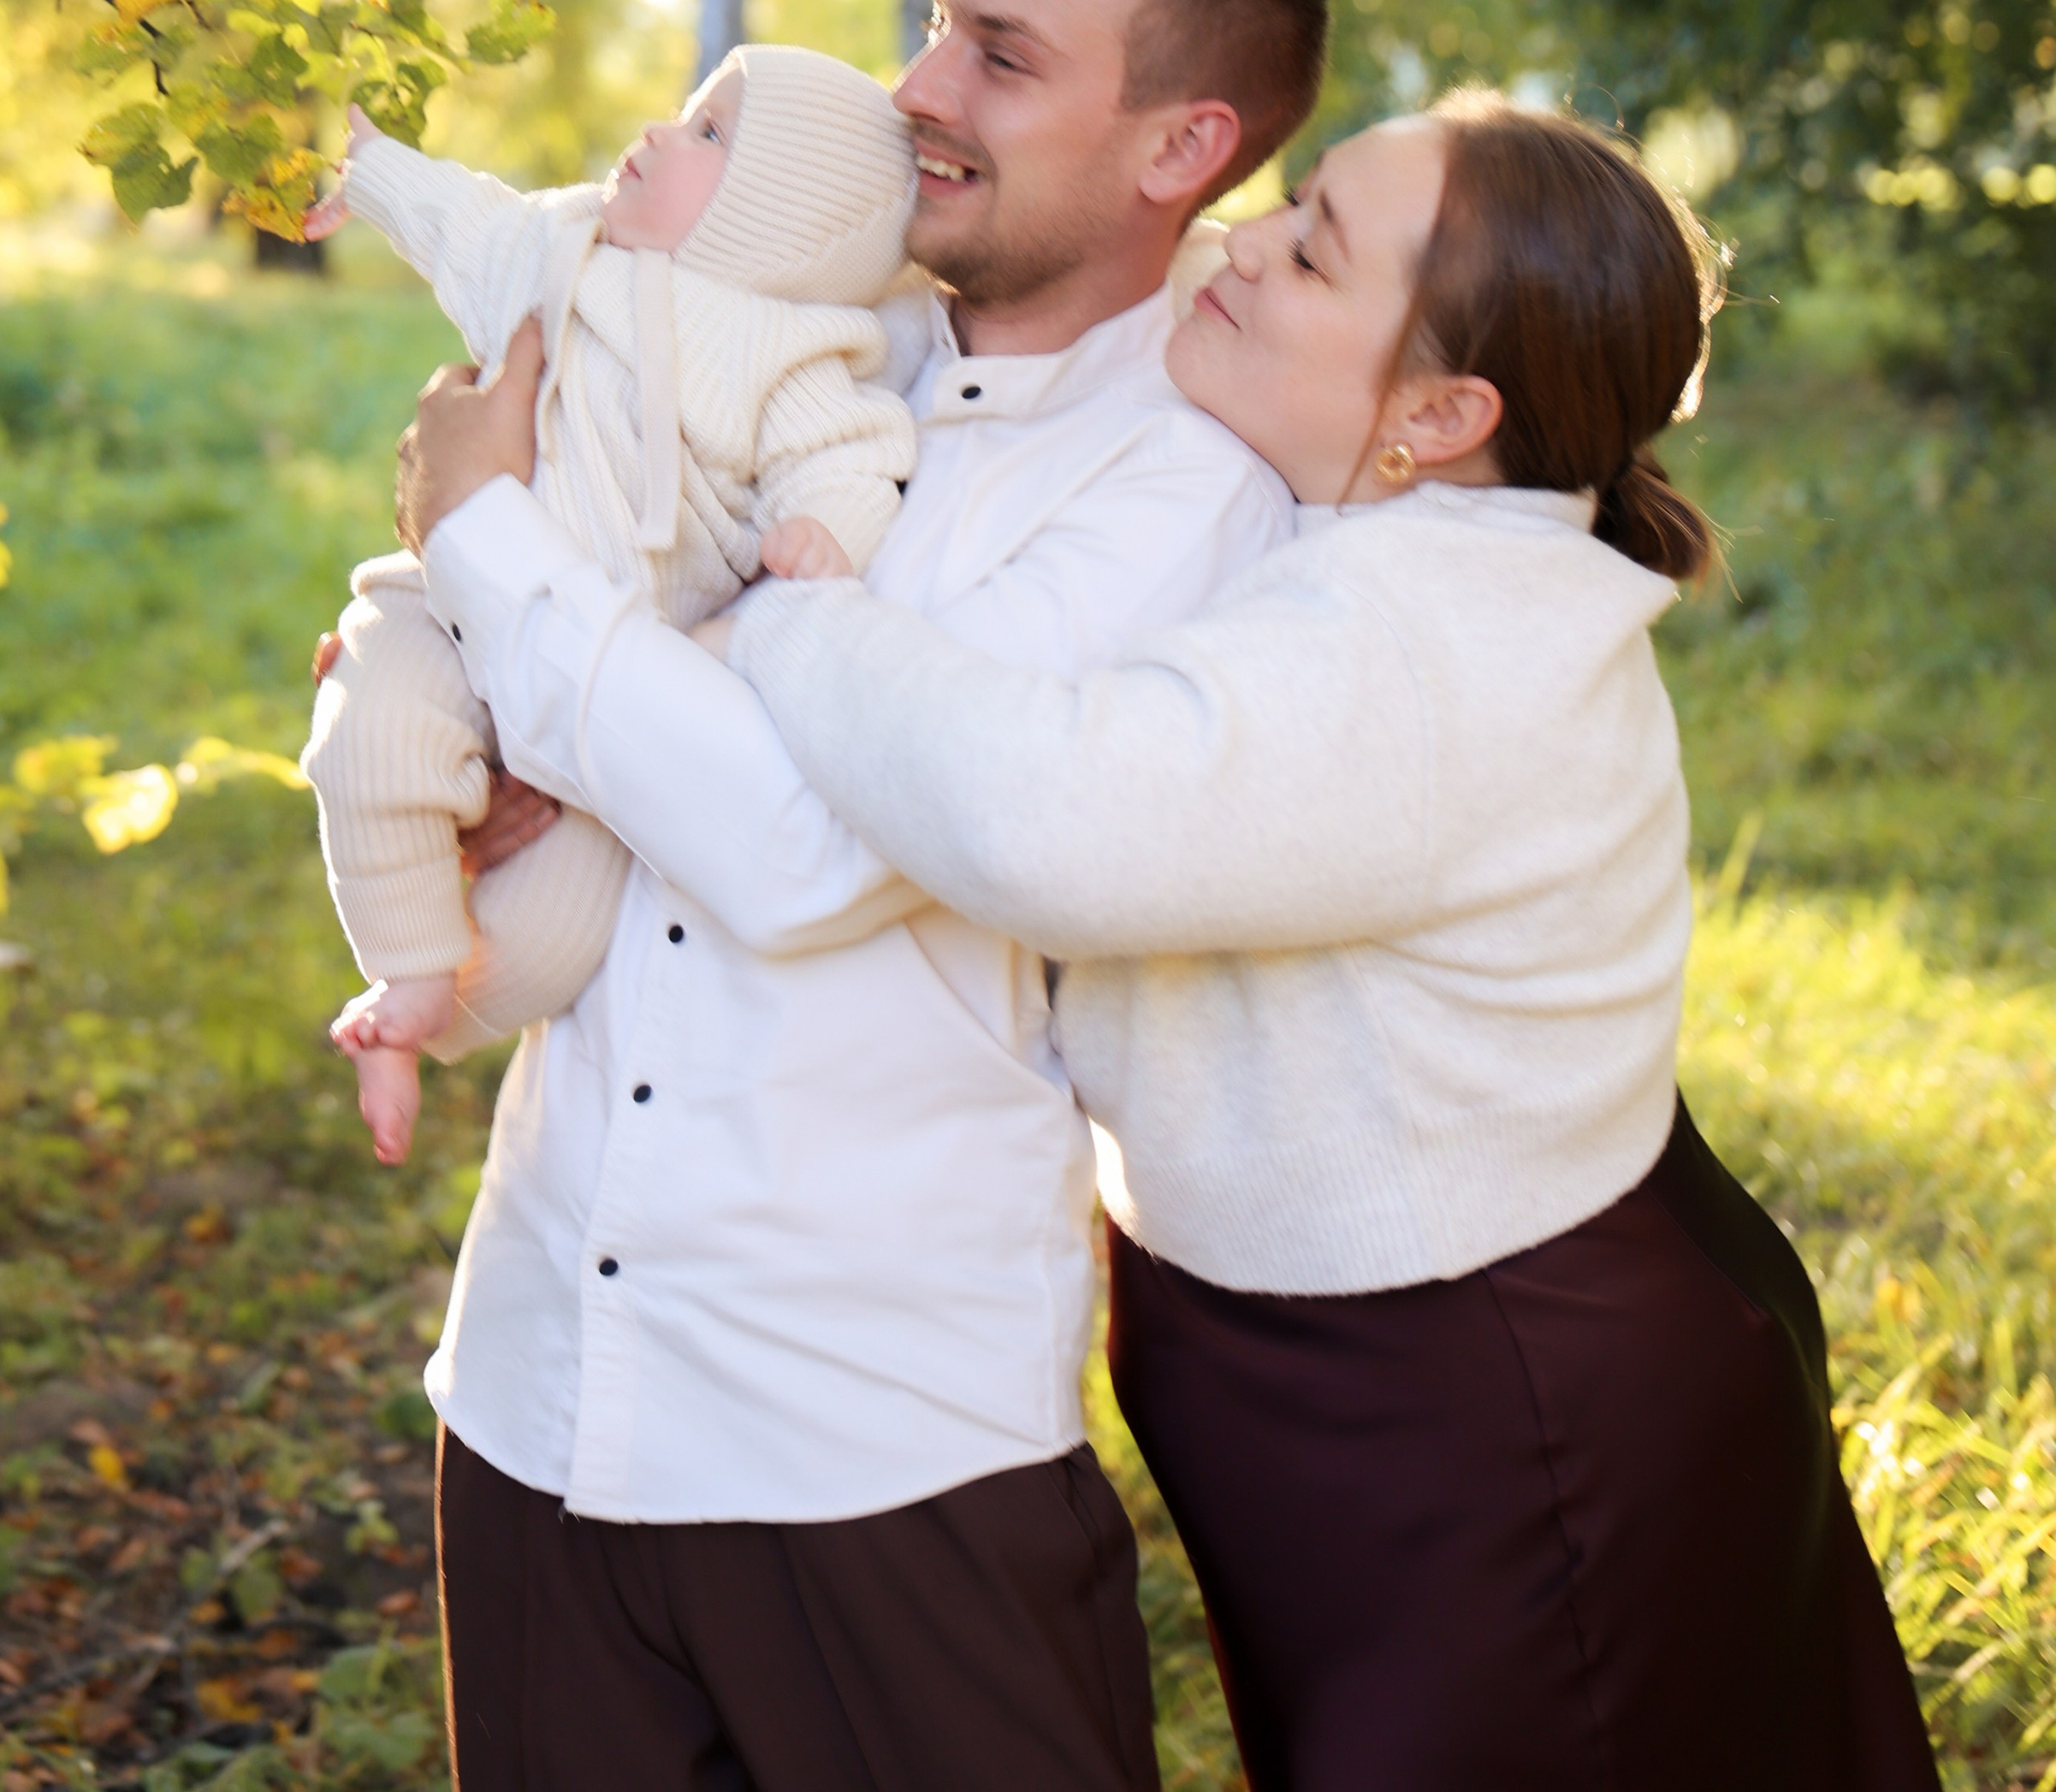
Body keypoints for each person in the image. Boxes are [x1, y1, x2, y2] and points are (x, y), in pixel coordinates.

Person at [715, 92, 1941, 1792]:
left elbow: (1041, 818)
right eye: (1286, 212)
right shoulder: (1353, 524)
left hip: (1504, 1401)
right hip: (1365, 1366)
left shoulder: (1435, 636)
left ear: (1437, 413)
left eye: (1309, 255)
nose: (1235, 245)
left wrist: (784, 622)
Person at [382, 0, 1331, 1792]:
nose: (912, 94)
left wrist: (483, 544)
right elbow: (564, 681)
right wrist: (479, 738)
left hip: (875, 1444)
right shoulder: (804, 342)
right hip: (546, 1378)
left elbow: (823, 857)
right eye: (931, 29)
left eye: (997, 53)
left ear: (1180, 147)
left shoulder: (1190, 481)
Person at [300, 43, 920, 1163]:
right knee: (370, 730)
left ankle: (431, 1018)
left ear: (781, 223)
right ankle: (403, 964)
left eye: (709, 136)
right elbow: (466, 220)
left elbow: (850, 457)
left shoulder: (793, 355)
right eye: (686, 114)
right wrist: (378, 170)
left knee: (558, 930)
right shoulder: (563, 252)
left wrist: (829, 531)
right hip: (447, 611)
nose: (660, 135)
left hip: (611, 667)